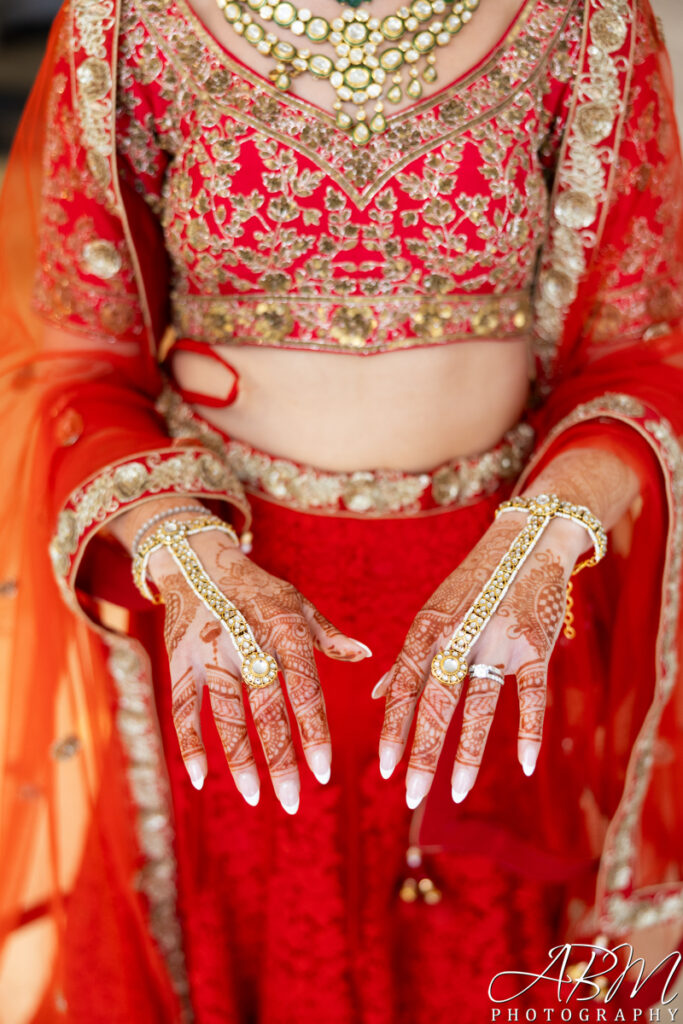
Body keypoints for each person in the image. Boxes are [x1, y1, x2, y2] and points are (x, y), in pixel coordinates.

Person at [1, 0, 682, 1019]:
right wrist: (181, 553)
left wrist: (545, 542)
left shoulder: (579, 19)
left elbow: (639, 354)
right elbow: (76, 373)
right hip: (221, 618)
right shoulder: (129, 25)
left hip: (499, 610)